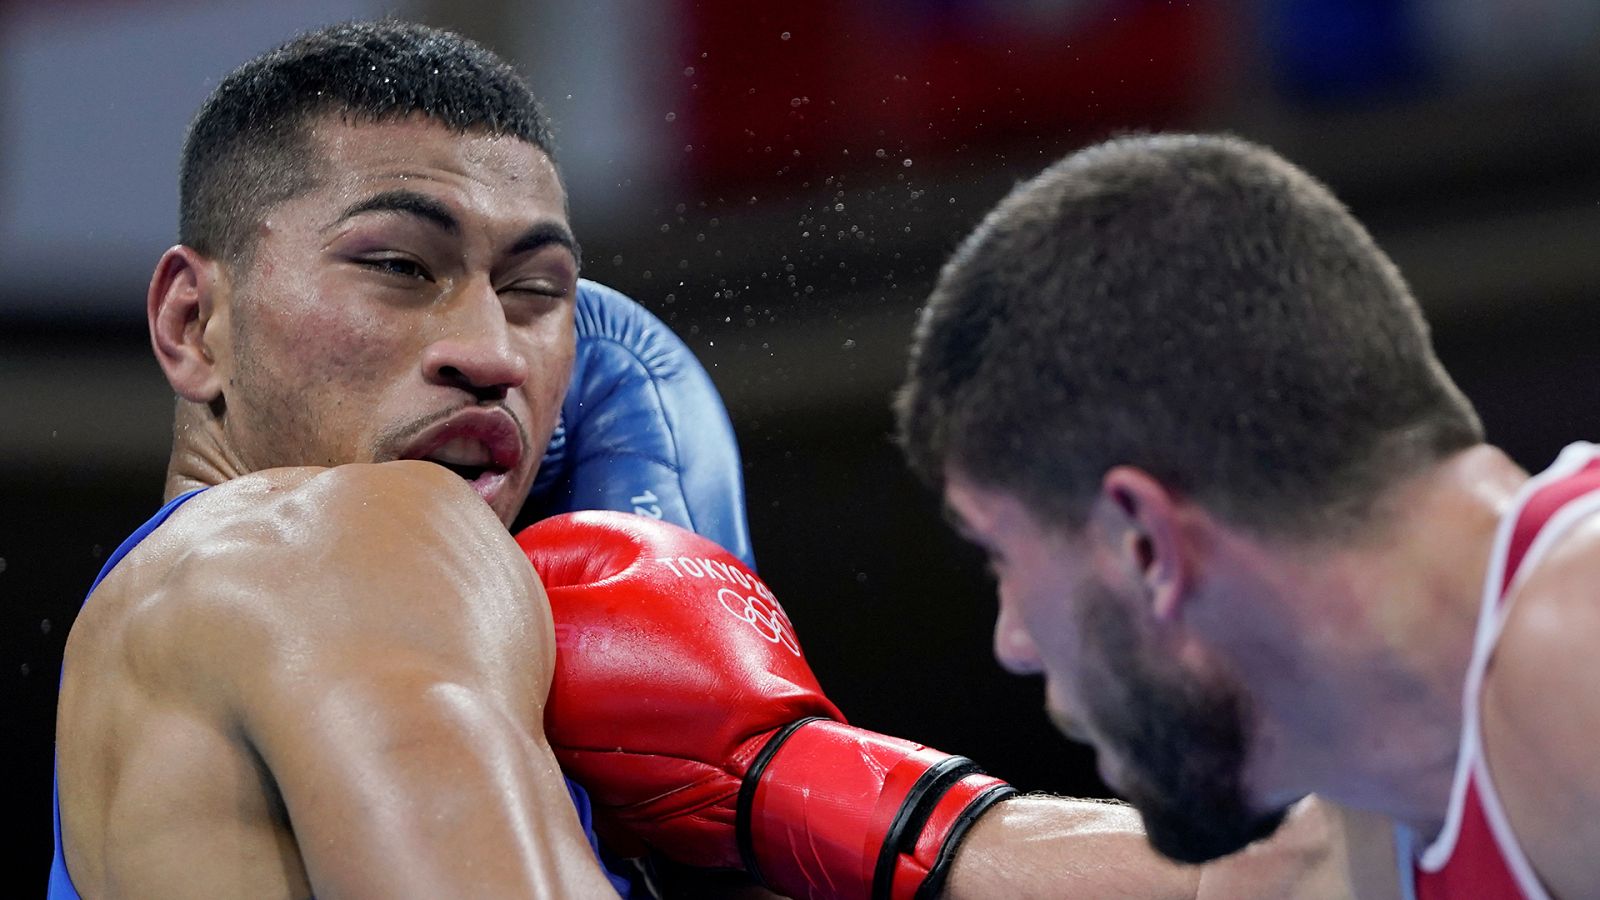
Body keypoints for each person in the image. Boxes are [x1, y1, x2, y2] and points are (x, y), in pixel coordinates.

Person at [48, 19, 749, 897]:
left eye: (535, 291)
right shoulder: (327, 531)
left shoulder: (160, 648)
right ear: (194, 323)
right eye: (400, 266)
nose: (493, 354)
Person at [894, 131, 1592, 898]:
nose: (1014, 643)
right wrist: (807, 790)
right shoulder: (1379, 822)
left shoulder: (1577, 636)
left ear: (1146, 546)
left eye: (1000, 554)